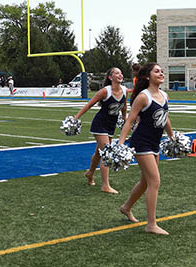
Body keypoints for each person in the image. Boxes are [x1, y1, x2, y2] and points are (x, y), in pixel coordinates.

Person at [118, 63, 174, 235]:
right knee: (154, 181)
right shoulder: (143, 97)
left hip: (154, 142)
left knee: (145, 182)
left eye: (161, 71)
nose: (161, 73)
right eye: (156, 71)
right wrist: (120, 143)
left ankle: (126, 207)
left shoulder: (164, 95)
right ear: (148, 76)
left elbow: (165, 118)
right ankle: (151, 224)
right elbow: (130, 120)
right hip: (141, 142)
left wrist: (173, 137)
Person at [74, 67, 127, 194]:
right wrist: (75, 118)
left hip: (111, 125)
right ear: (110, 77)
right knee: (107, 152)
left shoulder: (125, 90)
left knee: (99, 153)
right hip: (100, 125)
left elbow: (124, 105)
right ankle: (105, 185)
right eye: (117, 73)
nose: (120, 74)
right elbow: (89, 104)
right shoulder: (105, 92)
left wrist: (125, 119)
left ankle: (90, 173)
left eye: (121, 72)